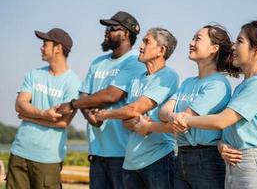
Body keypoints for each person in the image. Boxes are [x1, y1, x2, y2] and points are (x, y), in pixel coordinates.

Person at [174, 21, 257, 189]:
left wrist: (185, 119)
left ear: (256, 49)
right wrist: (221, 145)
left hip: (254, 167)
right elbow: (230, 129)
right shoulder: (243, 86)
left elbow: (222, 121)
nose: (233, 47)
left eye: (240, 41)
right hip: (236, 165)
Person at [134, 25, 239, 188]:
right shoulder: (188, 82)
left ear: (214, 48)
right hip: (181, 157)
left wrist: (149, 125)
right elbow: (164, 112)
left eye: (198, 39)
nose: (191, 42)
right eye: (192, 38)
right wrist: (173, 116)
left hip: (207, 161)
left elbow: (184, 120)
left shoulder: (217, 84)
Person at [57, 11, 145, 189]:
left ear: (126, 33)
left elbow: (112, 95)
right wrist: (90, 116)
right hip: (97, 153)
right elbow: (84, 94)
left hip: (123, 154)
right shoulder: (97, 62)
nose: (106, 31)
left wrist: (73, 105)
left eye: (112, 28)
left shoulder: (135, 61)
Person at [94, 27, 179, 189]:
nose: (140, 46)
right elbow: (126, 121)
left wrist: (105, 114)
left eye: (146, 42)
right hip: (131, 163)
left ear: (161, 50)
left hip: (158, 160)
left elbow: (133, 110)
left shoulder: (168, 76)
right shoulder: (137, 80)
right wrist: (135, 120)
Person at [6, 28, 80, 189]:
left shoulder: (73, 83)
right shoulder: (33, 74)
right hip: (19, 153)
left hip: (48, 159)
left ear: (58, 48)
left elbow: (62, 122)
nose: (41, 47)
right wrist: (44, 114)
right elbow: (19, 105)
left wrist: (29, 116)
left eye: (45, 44)